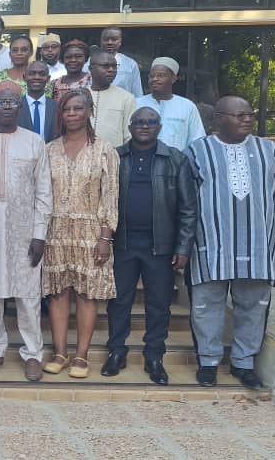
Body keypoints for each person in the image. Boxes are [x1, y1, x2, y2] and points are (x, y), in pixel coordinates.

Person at [185, 95, 275, 389]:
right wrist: (181, 247)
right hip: (210, 246)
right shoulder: (197, 151)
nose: (247, 119)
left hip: (257, 246)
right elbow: (184, 204)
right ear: (218, 119)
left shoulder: (270, 151)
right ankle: (208, 362)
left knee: (253, 306)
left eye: (249, 114)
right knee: (206, 306)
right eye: (239, 115)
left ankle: (244, 363)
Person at [101, 107, 197, 386]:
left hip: (161, 247)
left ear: (159, 127)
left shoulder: (176, 159)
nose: (145, 126)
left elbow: (188, 208)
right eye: (140, 122)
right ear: (130, 127)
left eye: (151, 122)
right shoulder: (115, 157)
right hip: (123, 244)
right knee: (119, 303)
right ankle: (116, 352)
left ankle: (154, 356)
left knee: (158, 305)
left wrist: (183, 248)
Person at [0, 88, 52, 382]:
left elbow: (44, 191)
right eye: (2, 102)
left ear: (20, 108)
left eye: (12, 102)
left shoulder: (34, 142)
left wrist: (40, 234)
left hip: (24, 231)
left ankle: (33, 354)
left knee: (27, 296)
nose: (7, 106)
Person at [42, 90, 119, 379]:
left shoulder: (104, 150)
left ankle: (81, 355)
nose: (72, 114)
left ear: (89, 112)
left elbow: (110, 196)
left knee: (87, 294)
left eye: (78, 108)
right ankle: (60, 353)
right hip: (56, 230)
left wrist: (105, 237)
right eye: (67, 109)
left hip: (91, 231)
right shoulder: (49, 149)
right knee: (58, 293)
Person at [135, 57, 206, 150]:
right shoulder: (136, 103)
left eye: (161, 76)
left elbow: (197, 140)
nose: (155, 79)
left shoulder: (187, 106)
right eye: (151, 76)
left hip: (177, 158)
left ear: (173, 79)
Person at [88, 51, 137, 148]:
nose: (111, 70)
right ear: (91, 68)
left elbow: (129, 136)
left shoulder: (126, 98)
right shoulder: (79, 96)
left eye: (114, 66)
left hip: (114, 155)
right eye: (105, 66)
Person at [85, 26, 143, 97]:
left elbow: (137, 93)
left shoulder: (130, 64)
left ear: (120, 41)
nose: (109, 42)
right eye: (106, 39)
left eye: (114, 39)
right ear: (101, 41)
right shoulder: (89, 62)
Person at [18, 61, 60, 142]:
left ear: (48, 79)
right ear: (24, 77)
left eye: (42, 74)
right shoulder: (16, 107)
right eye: (32, 73)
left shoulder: (57, 107)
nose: (37, 77)